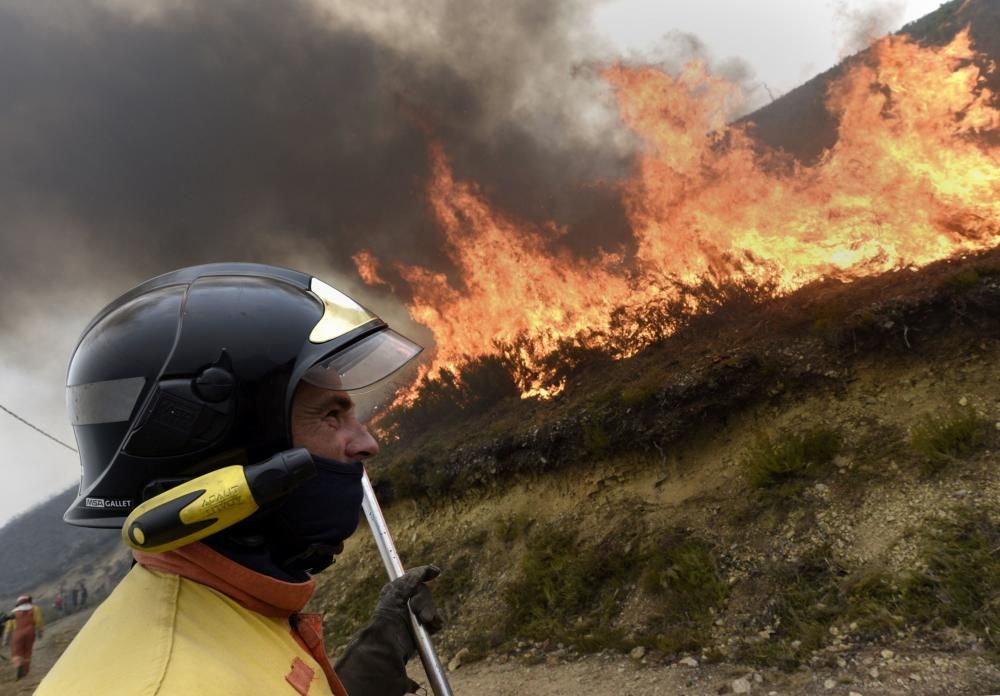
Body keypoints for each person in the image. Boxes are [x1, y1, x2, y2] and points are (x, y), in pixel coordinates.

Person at [36, 263, 443, 696]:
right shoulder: (169, 684)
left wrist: (380, 650)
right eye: (330, 416)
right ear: (230, 449)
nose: (367, 442)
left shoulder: (223, 608)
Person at [4, 595, 43, 680]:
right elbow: (38, 621)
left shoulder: (14, 613)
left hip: (17, 633)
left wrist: (6, 639)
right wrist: (40, 631)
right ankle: (25, 670)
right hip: (30, 632)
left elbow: (8, 627)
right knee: (27, 651)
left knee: (16, 652)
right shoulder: (34, 609)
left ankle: (18, 666)